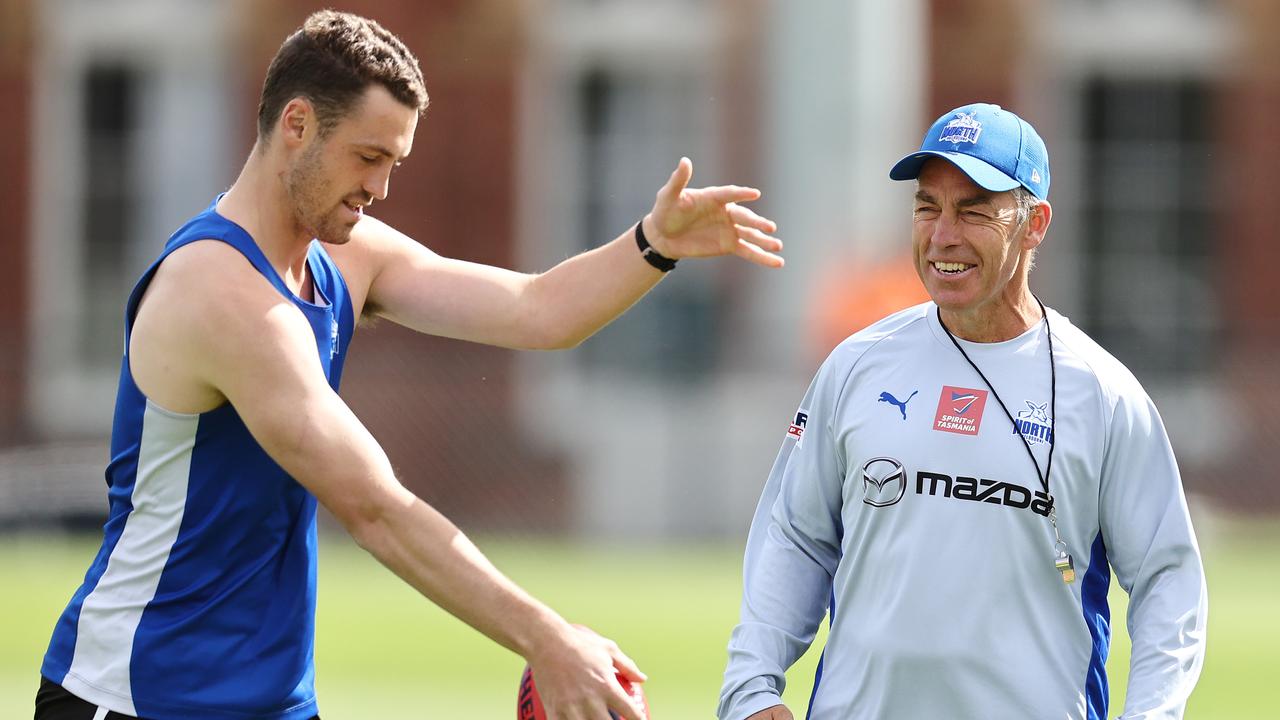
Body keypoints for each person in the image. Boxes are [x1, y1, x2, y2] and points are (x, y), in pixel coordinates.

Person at [36, 10, 783, 720]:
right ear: (296, 125)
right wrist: (545, 637)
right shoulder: (220, 293)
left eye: (394, 161)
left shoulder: (341, 255)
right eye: (368, 157)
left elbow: (537, 310)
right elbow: (373, 507)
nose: (382, 187)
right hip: (135, 697)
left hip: (268, 698)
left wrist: (654, 243)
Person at [717, 103, 1207, 719]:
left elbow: (1168, 580)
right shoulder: (854, 366)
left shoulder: (1103, 394)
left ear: (1034, 225)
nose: (944, 234)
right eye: (928, 207)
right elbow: (796, 535)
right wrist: (752, 688)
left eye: (974, 210)